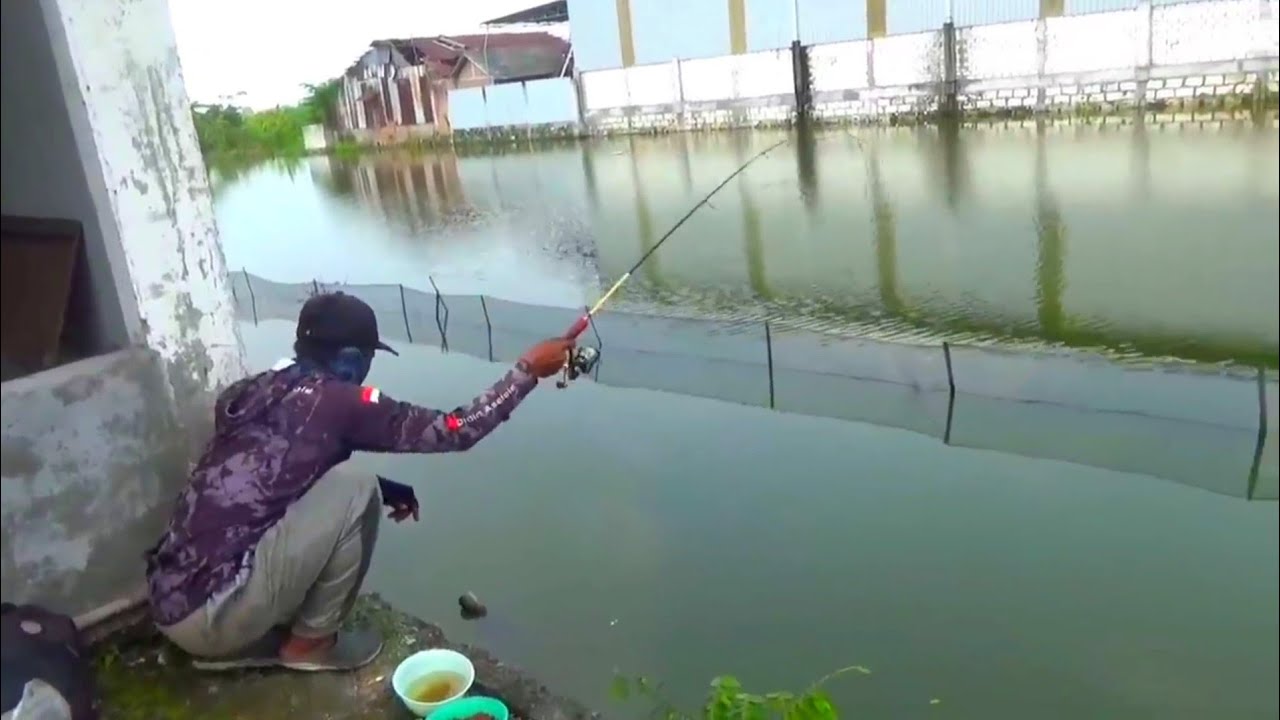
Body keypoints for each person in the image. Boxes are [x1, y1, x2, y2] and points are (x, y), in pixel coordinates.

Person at [144, 291, 574, 672]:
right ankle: (308, 644)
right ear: (351, 357)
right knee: (357, 488)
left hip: (170, 599)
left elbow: (279, 468)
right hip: (211, 618)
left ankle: (255, 619)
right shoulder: (342, 402)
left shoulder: (252, 390)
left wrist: (391, 488)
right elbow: (456, 429)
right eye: (368, 356)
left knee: (356, 483)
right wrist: (526, 371)